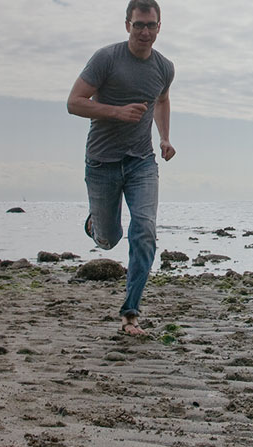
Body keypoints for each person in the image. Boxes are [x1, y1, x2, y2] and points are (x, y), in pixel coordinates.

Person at [66, 0, 175, 336]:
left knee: (144, 229)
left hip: (142, 162)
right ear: (127, 25)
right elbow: (73, 103)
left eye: (150, 25)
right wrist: (116, 111)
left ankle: (130, 313)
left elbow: (162, 99)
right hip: (102, 163)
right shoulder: (106, 59)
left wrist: (165, 138)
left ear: (159, 27)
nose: (144, 32)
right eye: (138, 24)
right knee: (109, 239)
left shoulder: (164, 67)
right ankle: (95, 225)